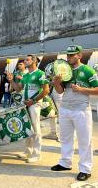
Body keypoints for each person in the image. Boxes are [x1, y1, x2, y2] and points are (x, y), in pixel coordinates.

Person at [51, 45, 98, 181]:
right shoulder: (65, 71)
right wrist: (56, 83)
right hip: (65, 108)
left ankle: (85, 169)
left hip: (81, 110)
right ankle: (65, 163)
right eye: (68, 55)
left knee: (85, 141)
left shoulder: (87, 70)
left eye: (72, 55)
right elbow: (60, 91)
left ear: (79, 56)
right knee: (66, 138)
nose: (69, 57)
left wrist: (82, 89)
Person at [7, 54, 49, 163]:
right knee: (26, 128)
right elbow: (17, 89)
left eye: (27, 60)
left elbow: (46, 91)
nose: (25, 61)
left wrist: (33, 101)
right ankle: (28, 151)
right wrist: (11, 81)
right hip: (24, 104)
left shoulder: (40, 73)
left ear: (34, 61)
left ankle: (36, 154)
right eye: (24, 60)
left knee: (35, 129)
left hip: (34, 104)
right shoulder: (25, 75)